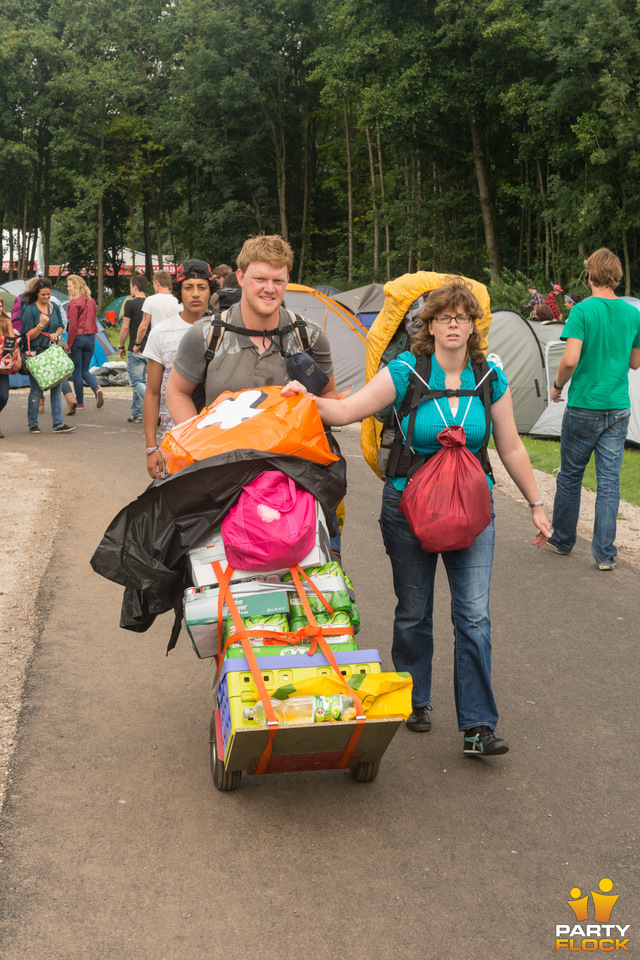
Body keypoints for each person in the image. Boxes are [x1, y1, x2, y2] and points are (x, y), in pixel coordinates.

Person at [282, 279, 551, 757]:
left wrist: (536, 504)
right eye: (443, 317)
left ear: (473, 326)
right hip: (408, 511)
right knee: (413, 612)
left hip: (472, 513)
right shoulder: (406, 370)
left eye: (461, 317)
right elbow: (345, 411)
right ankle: (415, 698)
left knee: (474, 617)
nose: (453, 324)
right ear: (427, 326)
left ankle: (478, 726)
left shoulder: (490, 376)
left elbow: (509, 445)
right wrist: (299, 398)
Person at [165, 235, 338, 422]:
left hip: (290, 451)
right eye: (260, 279)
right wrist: (197, 444)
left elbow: (328, 394)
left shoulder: (309, 336)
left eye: (278, 281)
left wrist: (307, 405)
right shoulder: (206, 334)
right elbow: (177, 391)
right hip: (219, 450)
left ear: (287, 280)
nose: (270, 288)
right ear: (241, 277)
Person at [548, 248, 640, 570]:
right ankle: (604, 554)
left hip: (584, 405)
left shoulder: (582, 311)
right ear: (616, 276)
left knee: (571, 477)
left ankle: (562, 540)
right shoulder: (633, 314)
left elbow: (570, 359)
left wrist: (557, 387)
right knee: (609, 482)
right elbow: (635, 362)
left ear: (590, 275)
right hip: (618, 408)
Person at [142, 260, 214, 479]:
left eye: (202, 287)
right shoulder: (161, 332)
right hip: (173, 442)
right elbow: (153, 393)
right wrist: (151, 448)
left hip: (217, 440)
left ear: (211, 291)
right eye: (188, 287)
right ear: (178, 291)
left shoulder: (224, 329)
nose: (195, 294)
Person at [20, 278, 75, 434]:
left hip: (52, 352)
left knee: (57, 388)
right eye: (43, 294)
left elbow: (60, 326)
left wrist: (56, 335)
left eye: (48, 294)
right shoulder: (30, 310)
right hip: (37, 354)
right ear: (37, 293)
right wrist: (41, 325)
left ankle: (58, 424)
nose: (46, 297)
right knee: (37, 389)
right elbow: (28, 335)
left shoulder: (55, 307)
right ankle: (33, 424)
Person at [66, 274, 104, 410]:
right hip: (91, 338)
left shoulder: (74, 303)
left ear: (76, 286)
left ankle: (80, 402)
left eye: (69, 286)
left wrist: (68, 345)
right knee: (85, 370)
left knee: (76, 371)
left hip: (78, 338)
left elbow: (73, 326)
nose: (68, 289)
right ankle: (96, 389)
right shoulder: (91, 300)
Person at [119, 275, 148, 423]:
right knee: (143, 381)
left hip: (135, 348)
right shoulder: (151, 303)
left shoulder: (130, 304)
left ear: (135, 287)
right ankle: (137, 413)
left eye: (130, 286)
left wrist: (121, 345)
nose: (130, 289)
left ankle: (153, 405)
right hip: (151, 349)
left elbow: (125, 327)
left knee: (136, 382)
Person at [134, 270, 180, 346]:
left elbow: (143, 326)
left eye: (153, 284)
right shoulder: (179, 300)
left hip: (157, 343)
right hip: (175, 343)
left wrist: (137, 344)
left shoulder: (150, 300)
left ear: (157, 283)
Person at [0, 298, 21, 438]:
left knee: (3, 396)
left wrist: (18, 357)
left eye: (0, 306)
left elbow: (12, 341)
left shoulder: (6, 321)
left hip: (3, 364)